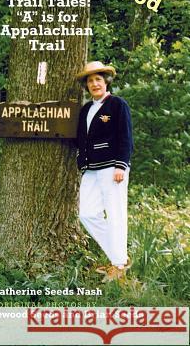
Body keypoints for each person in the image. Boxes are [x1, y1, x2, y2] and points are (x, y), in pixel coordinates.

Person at [76, 61, 133, 282]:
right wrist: (82, 163)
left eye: (98, 79)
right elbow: (81, 139)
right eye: (90, 81)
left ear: (106, 82)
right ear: (87, 86)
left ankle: (117, 265)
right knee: (86, 214)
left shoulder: (117, 105)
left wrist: (122, 164)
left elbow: (125, 137)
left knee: (116, 214)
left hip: (113, 168)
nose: (94, 84)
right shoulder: (86, 110)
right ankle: (118, 256)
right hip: (90, 170)